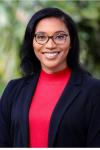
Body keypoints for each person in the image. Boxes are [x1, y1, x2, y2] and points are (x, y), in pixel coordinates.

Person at [0, 7, 100, 148]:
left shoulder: (94, 91)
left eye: (59, 37)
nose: (50, 45)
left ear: (71, 42)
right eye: (41, 37)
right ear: (32, 42)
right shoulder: (13, 90)